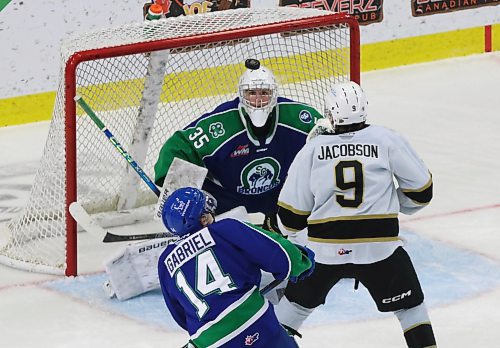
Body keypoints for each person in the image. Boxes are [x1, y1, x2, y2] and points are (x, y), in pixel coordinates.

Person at [274, 81, 437, 348]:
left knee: (293, 308)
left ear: (330, 113)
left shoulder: (312, 150)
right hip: (380, 249)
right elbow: (422, 191)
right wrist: (394, 203)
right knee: (411, 310)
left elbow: (291, 217)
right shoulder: (386, 139)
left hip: (323, 251)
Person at [154, 58, 323, 231]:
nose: (258, 100)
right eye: (251, 93)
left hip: (281, 196)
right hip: (227, 200)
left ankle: (278, 222)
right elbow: (177, 148)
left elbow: (327, 137)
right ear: (241, 95)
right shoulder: (221, 125)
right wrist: (175, 191)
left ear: (274, 94)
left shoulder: (298, 117)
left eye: (264, 93)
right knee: (228, 242)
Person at [157, 187, 315, 348]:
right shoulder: (225, 229)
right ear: (203, 219)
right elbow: (277, 253)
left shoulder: (165, 262)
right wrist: (299, 262)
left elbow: (179, 315)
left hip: (208, 341)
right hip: (253, 321)